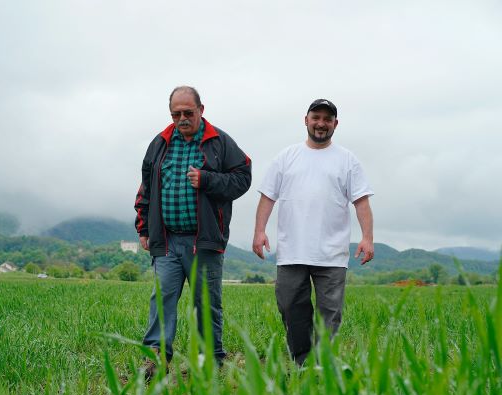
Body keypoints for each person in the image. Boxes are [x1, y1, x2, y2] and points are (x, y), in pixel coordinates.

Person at [134, 86, 251, 377]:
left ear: (201, 109)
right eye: (176, 114)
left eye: (188, 112)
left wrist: (207, 179)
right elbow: (146, 188)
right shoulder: (160, 143)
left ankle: (210, 361)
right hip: (167, 240)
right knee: (162, 299)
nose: (182, 118)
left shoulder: (219, 142)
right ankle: (155, 359)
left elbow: (243, 178)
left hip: (204, 241)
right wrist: (144, 228)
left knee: (207, 303)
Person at [252, 99, 374, 366]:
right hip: (291, 249)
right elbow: (267, 196)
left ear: (335, 124)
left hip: (332, 252)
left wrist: (367, 237)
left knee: (329, 313)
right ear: (306, 120)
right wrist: (259, 231)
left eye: (327, 119)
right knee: (290, 306)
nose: (321, 123)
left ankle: (322, 365)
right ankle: (302, 361)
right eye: (316, 117)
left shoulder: (347, 160)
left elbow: (361, 201)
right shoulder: (286, 157)